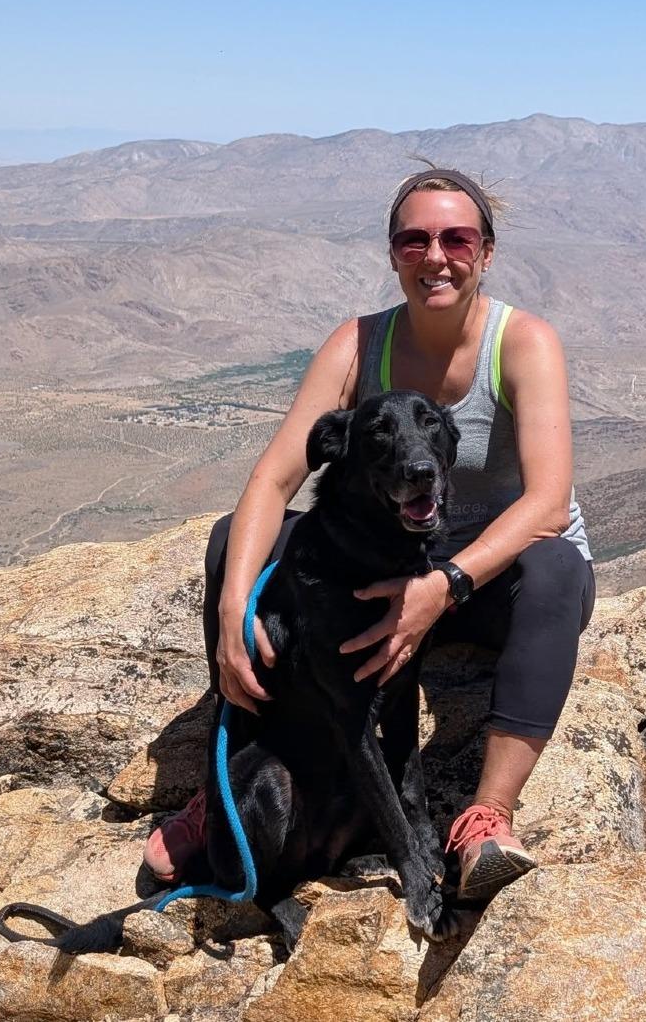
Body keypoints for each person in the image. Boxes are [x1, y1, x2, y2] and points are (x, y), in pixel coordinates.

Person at [144, 167, 595, 902]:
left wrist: (442, 587)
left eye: (457, 239)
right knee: (235, 543)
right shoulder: (359, 344)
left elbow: (547, 502)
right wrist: (232, 612)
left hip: (489, 580)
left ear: (486, 252)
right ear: (393, 254)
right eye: (415, 241)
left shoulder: (522, 342)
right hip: (393, 564)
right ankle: (231, 789)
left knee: (559, 570)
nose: (435, 257)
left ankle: (487, 819)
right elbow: (273, 481)